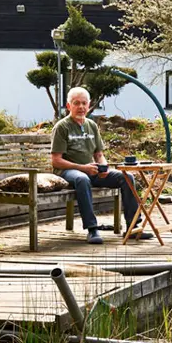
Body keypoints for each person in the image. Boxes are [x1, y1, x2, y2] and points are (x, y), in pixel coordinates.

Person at [50, 87, 145, 243]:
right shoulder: (62, 127)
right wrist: (83, 168)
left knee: (127, 177)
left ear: (89, 105)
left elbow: (99, 155)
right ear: (69, 106)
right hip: (68, 172)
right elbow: (56, 160)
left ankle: (133, 227)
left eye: (84, 103)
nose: (80, 107)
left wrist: (104, 168)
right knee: (82, 179)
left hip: (91, 170)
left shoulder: (91, 125)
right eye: (76, 103)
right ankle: (92, 229)